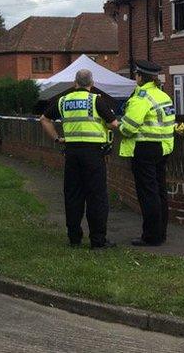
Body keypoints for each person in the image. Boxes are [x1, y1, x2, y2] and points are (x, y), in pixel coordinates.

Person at [40, 69, 118, 249]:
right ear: (92, 83)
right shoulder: (96, 100)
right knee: (96, 196)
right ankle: (98, 240)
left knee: (73, 195)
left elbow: (44, 119)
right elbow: (113, 123)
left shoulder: (63, 100)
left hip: (72, 152)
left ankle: (74, 237)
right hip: (94, 154)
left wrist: (57, 139)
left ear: (75, 83)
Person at [117, 60, 176, 247]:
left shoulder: (141, 98)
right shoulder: (163, 95)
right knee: (159, 192)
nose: (136, 78)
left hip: (144, 148)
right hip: (163, 147)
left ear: (141, 77)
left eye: (137, 75)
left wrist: (119, 126)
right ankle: (161, 233)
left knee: (147, 193)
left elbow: (129, 127)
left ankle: (150, 236)